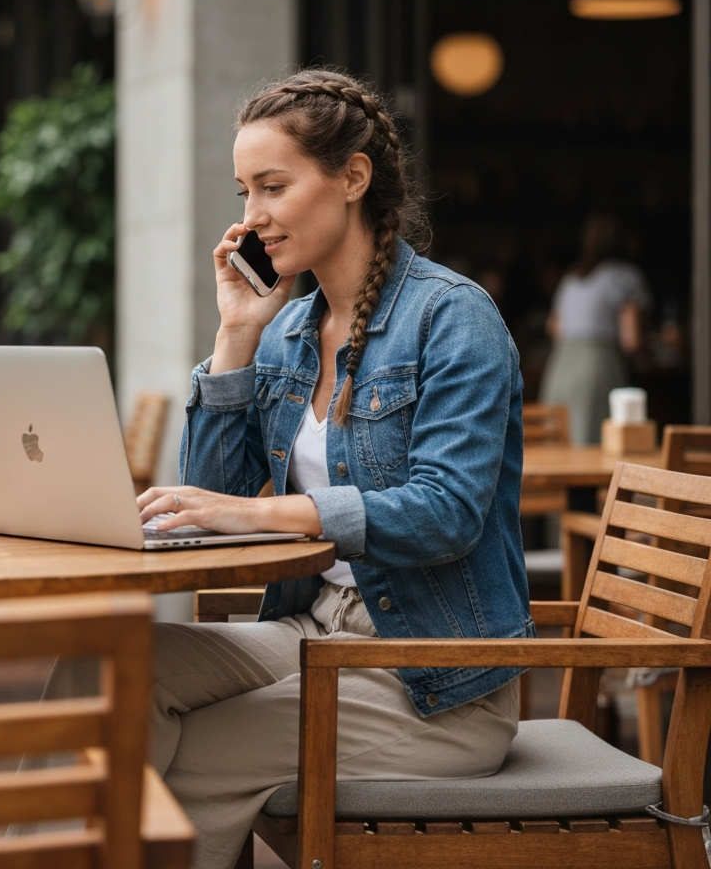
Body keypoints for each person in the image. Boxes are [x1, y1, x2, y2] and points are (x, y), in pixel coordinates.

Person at [133, 69, 533, 869]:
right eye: (245, 191)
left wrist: (260, 515)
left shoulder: (452, 318)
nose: (252, 219)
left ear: (353, 178)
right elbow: (210, 491)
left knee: (182, 758)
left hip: (432, 679)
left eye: (273, 187)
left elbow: (445, 513)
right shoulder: (286, 333)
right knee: (112, 671)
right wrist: (237, 335)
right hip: (316, 632)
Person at [539, 214, 650, 445]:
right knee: (594, 445)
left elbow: (554, 328)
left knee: (558, 446)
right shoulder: (625, 276)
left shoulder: (571, 278)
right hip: (596, 366)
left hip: (561, 366)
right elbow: (631, 340)